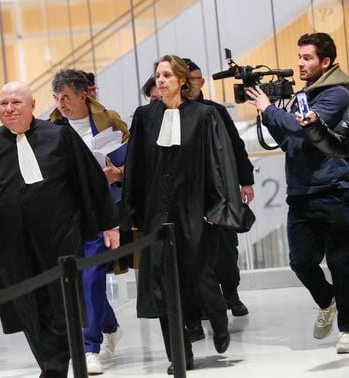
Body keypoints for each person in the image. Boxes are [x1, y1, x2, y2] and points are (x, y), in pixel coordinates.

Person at [0, 81, 120, 378]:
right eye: (4, 103)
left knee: (61, 305)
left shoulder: (60, 136)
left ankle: (54, 369)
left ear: (32, 105)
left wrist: (108, 224)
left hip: (60, 239)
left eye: (16, 102)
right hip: (12, 245)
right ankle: (51, 366)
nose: (9, 109)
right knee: (27, 306)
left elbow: (90, 182)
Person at [123, 55, 245, 375]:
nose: (160, 81)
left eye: (166, 75)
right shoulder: (144, 116)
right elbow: (135, 165)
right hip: (157, 212)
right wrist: (131, 211)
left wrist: (218, 207)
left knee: (200, 275)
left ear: (181, 80)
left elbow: (219, 163)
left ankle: (218, 316)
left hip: (195, 209)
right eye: (157, 75)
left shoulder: (204, 116)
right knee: (162, 284)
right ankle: (179, 354)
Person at [247, 32, 349, 354]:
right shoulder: (304, 94)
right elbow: (287, 136)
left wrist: (269, 108)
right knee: (301, 262)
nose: (301, 63)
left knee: (341, 263)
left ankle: (347, 329)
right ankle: (327, 300)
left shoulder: (338, 93)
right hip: (301, 191)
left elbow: (300, 127)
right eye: (300, 57)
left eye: (307, 58)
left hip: (334, 188)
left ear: (326, 61)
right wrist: (270, 112)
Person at [49, 69, 127, 374]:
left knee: (92, 277)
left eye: (66, 97)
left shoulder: (110, 121)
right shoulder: (51, 128)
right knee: (80, 281)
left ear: (84, 95)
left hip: (101, 212)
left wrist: (118, 173)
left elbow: (131, 156)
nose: (61, 103)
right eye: (56, 98)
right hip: (67, 216)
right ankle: (110, 327)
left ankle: (89, 346)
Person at [182, 58, 254, 341]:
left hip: (221, 191)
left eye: (198, 78)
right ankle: (205, 306)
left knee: (226, 247)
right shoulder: (174, 113)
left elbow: (235, 145)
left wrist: (245, 180)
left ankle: (232, 293)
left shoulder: (215, 111)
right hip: (191, 195)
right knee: (199, 252)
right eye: (190, 78)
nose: (195, 83)